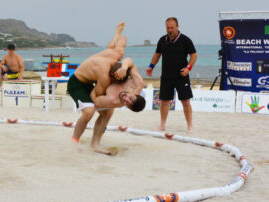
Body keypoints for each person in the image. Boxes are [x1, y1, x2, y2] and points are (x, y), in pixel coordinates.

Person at [67, 22, 145, 155]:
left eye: (127, 101)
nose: (124, 98)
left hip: (93, 74)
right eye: (128, 98)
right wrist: (112, 100)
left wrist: (125, 67)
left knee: (116, 52)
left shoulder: (136, 84)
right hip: (77, 82)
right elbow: (95, 98)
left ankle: (95, 144)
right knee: (89, 111)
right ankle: (74, 141)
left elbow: (127, 56)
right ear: (114, 77)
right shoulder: (105, 78)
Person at [146, 17, 197, 133]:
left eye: (172, 28)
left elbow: (194, 55)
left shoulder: (185, 40)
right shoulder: (162, 40)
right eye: (168, 28)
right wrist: (151, 66)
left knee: (185, 102)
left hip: (181, 76)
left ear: (177, 27)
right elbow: (157, 54)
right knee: (164, 101)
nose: (170, 30)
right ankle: (162, 125)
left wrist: (188, 68)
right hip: (166, 76)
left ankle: (190, 126)